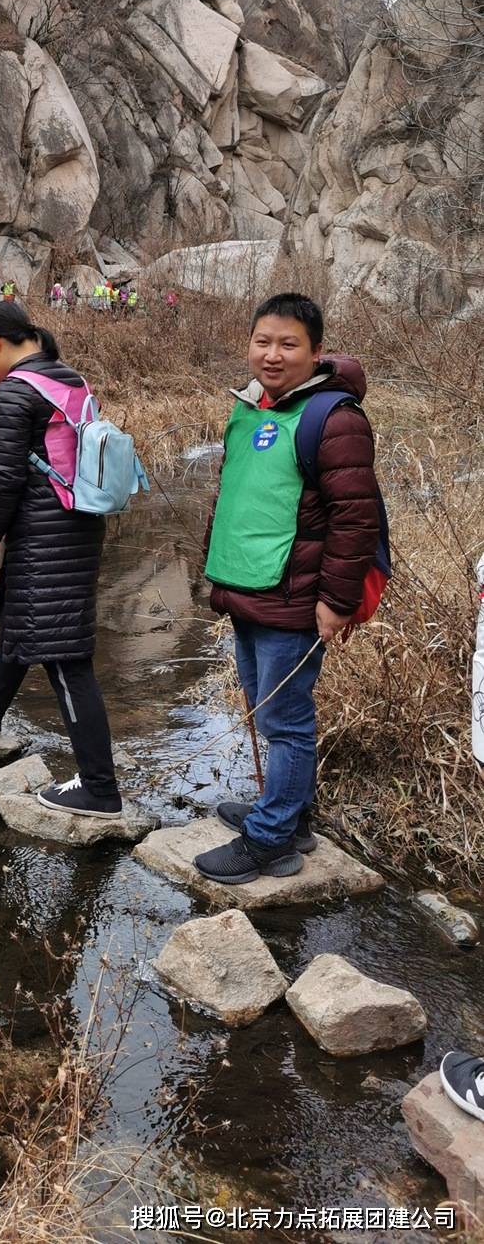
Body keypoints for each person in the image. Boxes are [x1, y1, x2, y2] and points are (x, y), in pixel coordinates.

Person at [195, 292, 383, 885]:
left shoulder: (335, 418)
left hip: (293, 597)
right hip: (249, 587)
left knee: (285, 722)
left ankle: (271, 840)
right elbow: (237, 497)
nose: (272, 354)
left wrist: (335, 601)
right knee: (268, 710)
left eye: (288, 344)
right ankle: (291, 817)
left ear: (316, 351)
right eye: (262, 341)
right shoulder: (251, 407)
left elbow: (356, 521)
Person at [0, 301, 123, 818]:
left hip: (45, 529)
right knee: (30, 617)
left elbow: (5, 478)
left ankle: (99, 787)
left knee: (64, 655)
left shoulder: (14, 391)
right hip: (77, 522)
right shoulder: (67, 378)